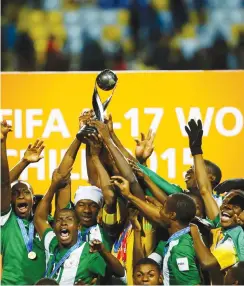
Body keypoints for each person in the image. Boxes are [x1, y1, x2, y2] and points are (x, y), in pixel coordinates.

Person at [34, 168, 125, 285]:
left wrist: (103, 251)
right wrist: (54, 185)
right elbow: (39, 219)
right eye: (59, 220)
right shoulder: (52, 242)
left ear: (78, 226)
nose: (63, 223)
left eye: (69, 219)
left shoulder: (89, 253)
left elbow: (119, 273)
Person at [111, 175, 202, 285]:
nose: (159, 210)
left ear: (172, 215)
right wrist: (137, 230)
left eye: (163, 208)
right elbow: (142, 266)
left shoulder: (181, 249)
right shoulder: (172, 243)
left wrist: (130, 195)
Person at [185, 119, 244, 284]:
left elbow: (207, 262)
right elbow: (204, 190)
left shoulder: (238, 235)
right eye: (226, 202)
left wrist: (194, 232)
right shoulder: (221, 229)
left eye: (236, 205)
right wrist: (196, 150)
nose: (228, 206)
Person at [1, 120, 46, 285]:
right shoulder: (6, 220)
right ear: (9, 200)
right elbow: (4, 184)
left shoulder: (44, 224)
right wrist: (23, 162)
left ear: (33, 200)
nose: (20, 196)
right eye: (16, 193)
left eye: (26, 192)